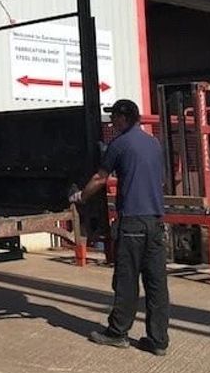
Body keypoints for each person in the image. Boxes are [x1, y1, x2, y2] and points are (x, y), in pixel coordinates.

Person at [70, 98, 169, 356]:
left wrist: (80, 196)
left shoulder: (120, 144)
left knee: (126, 281)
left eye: (114, 117)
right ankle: (158, 340)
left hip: (133, 223)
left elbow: (100, 178)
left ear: (125, 118)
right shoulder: (153, 143)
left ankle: (117, 333)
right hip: (156, 222)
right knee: (156, 283)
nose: (112, 122)